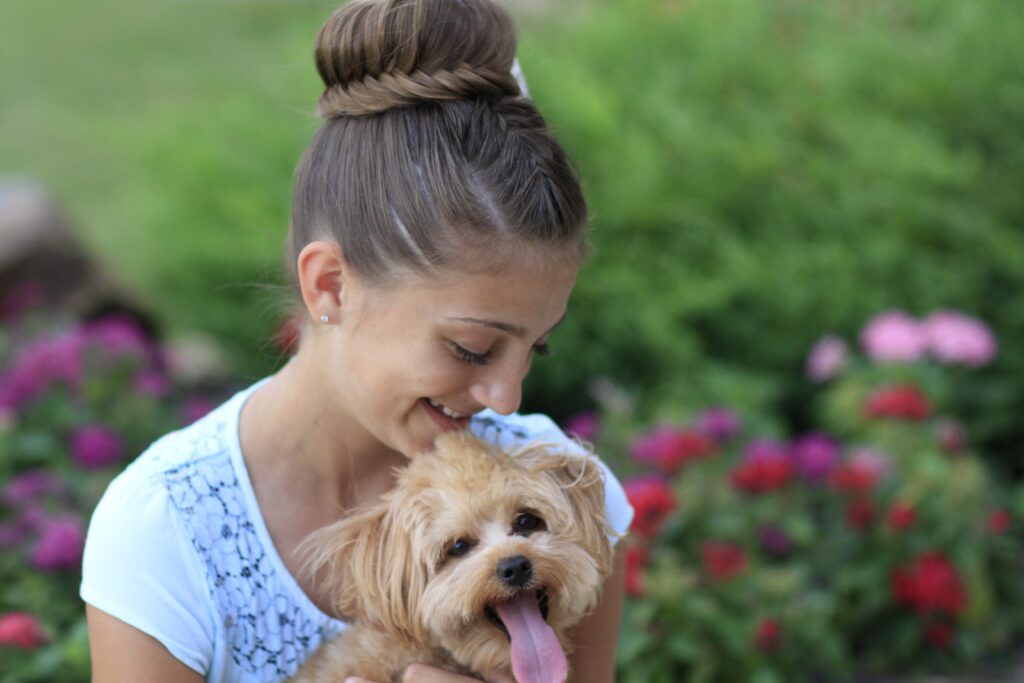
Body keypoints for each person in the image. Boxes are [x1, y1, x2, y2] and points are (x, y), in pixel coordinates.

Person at [80, 0, 634, 681]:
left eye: (535, 348)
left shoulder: (563, 496)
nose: (505, 396)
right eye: (470, 347)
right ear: (332, 286)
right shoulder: (169, 532)